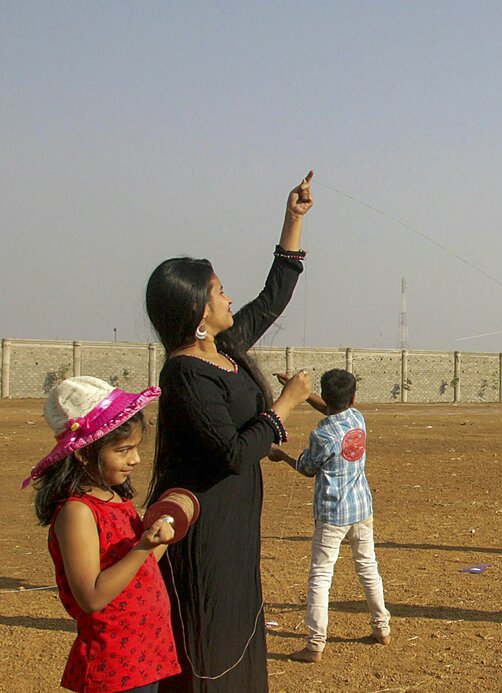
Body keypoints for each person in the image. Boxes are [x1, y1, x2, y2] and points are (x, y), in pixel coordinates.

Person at [144, 172, 315, 691]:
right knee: (209, 632)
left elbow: (271, 299)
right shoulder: (184, 371)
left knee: (239, 622)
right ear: (198, 309)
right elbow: (234, 453)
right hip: (205, 523)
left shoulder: (223, 351)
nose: (228, 296)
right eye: (219, 291)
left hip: (236, 519)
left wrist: (293, 220)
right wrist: (284, 406)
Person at [26, 376, 179, 692]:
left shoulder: (116, 500)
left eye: (135, 448)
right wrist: (141, 548)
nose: (135, 459)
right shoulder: (77, 512)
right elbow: (92, 597)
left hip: (146, 656)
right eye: (123, 450)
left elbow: (141, 566)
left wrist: (162, 534)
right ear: (83, 453)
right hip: (113, 665)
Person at [268, 368, 391, 662]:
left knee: (321, 576)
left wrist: (281, 455)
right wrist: (302, 392)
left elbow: (307, 468)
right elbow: (330, 407)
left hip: (332, 513)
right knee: (368, 568)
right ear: (354, 398)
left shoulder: (322, 433)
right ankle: (382, 628)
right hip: (361, 508)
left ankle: (315, 644)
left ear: (324, 395)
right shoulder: (357, 418)